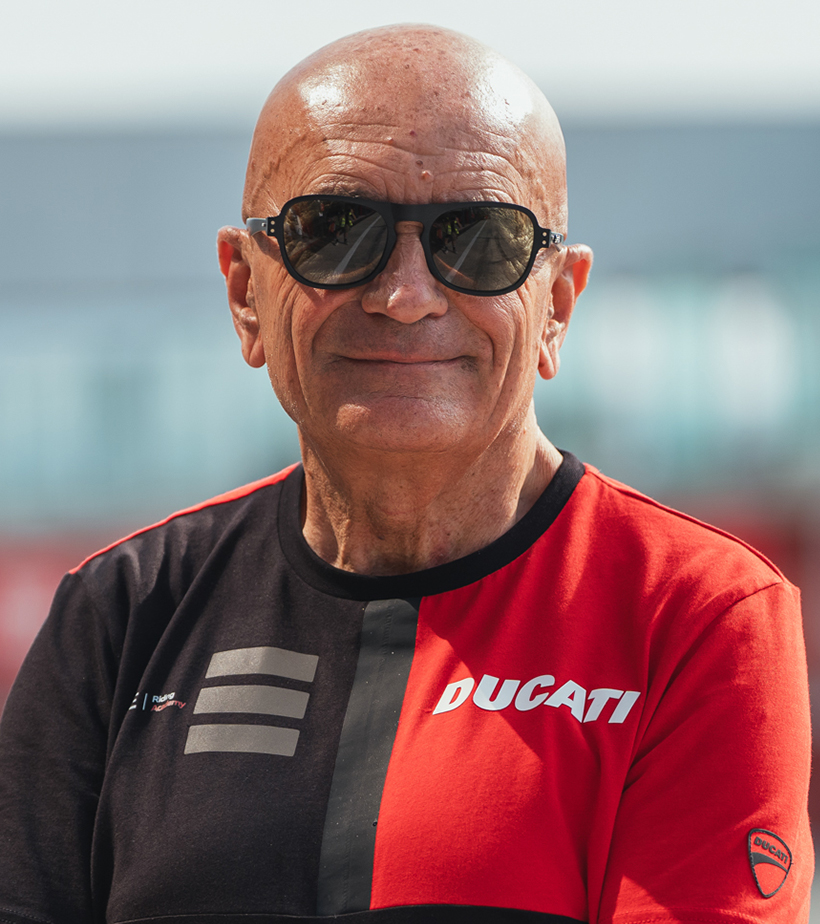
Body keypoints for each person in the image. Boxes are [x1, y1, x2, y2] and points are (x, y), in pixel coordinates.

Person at [0, 23, 812, 924]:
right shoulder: (121, 614)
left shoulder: (695, 616)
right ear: (244, 293)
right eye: (335, 231)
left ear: (557, 306)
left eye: (482, 238)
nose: (405, 294)